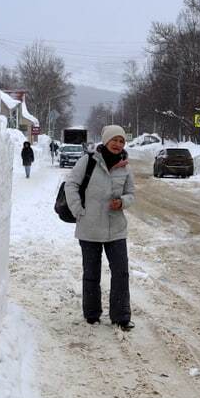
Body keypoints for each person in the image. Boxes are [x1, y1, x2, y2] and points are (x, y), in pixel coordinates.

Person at [64, 125, 136, 330]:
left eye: (122, 141)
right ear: (105, 141)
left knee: (121, 272)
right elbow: (71, 185)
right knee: (91, 273)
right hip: (90, 226)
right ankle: (92, 314)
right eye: (114, 139)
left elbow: (131, 194)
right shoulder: (88, 161)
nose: (118, 144)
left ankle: (121, 316)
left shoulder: (125, 167)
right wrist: (79, 210)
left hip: (116, 228)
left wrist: (122, 202)